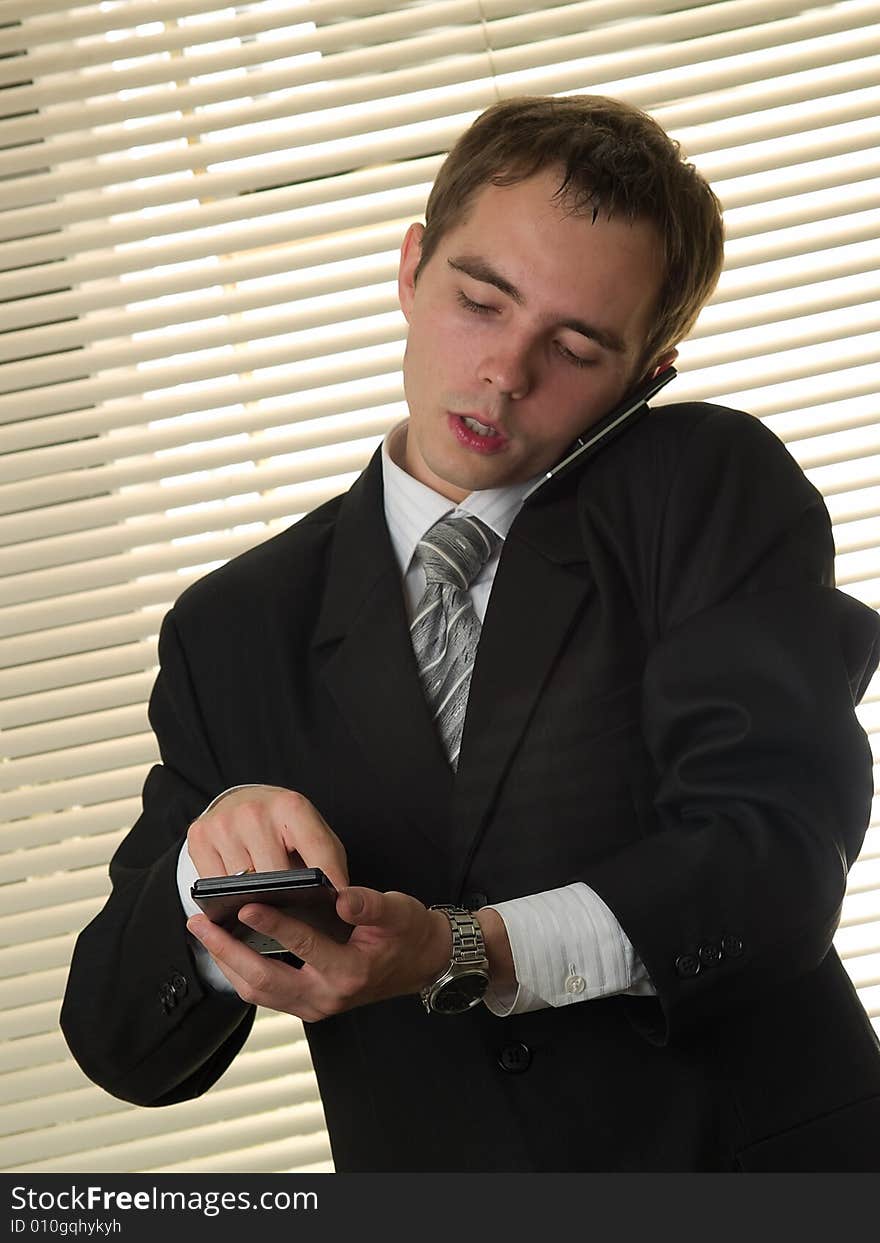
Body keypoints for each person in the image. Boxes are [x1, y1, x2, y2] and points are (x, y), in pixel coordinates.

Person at [60, 95, 880, 1172]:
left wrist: (463, 948)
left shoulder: (705, 490)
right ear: (410, 268)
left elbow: (773, 858)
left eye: (577, 345)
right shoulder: (233, 627)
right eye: (480, 301)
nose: (506, 372)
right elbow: (122, 1042)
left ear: (647, 377)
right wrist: (205, 867)